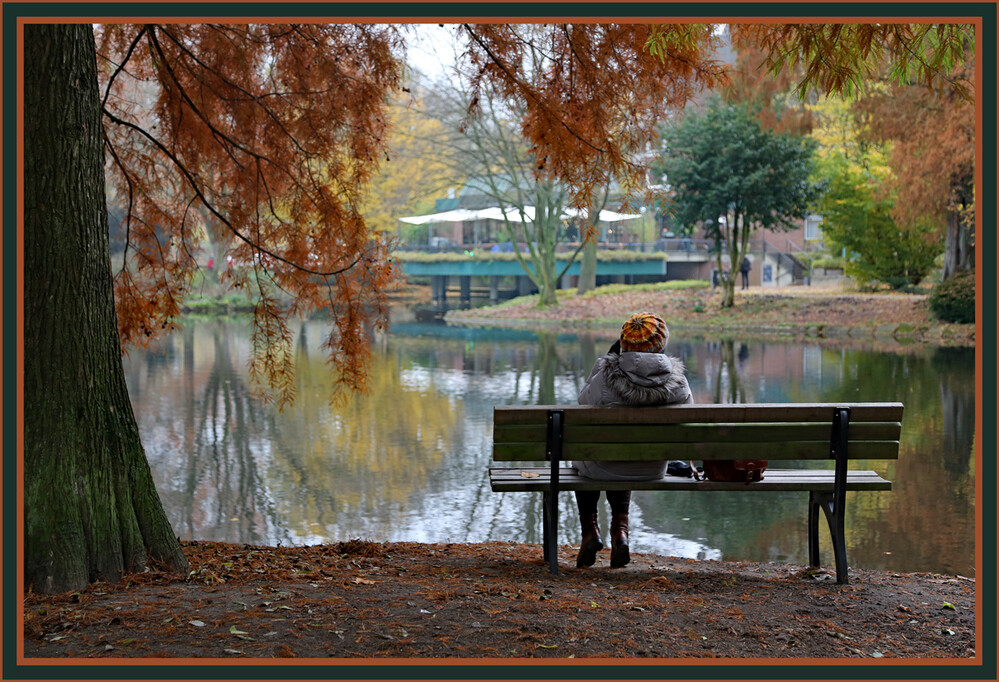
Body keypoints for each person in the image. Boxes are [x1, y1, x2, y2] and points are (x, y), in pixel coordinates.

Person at [573, 312, 693, 568]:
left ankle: (590, 532)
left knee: (590, 459)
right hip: (653, 467)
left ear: (623, 343)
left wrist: (604, 363)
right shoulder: (678, 381)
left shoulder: (606, 375)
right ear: (662, 344)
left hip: (603, 466)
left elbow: (583, 400)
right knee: (625, 454)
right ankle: (621, 532)